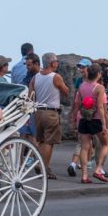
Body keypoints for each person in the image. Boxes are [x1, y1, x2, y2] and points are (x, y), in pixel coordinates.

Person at [29, 52, 69, 180]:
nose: (57, 63)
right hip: (51, 112)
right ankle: (44, 167)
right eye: (56, 61)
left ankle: (39, 162)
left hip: (38, 111)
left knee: (41, 140)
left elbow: (30, 94)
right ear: (52, 63)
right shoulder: (55, 77)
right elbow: (66, 91)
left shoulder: (35, 77)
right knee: (49, 141)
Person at [73, 63, 108, 183]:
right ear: (99, 74)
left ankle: (84, 176)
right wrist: (104, 124)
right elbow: (100, 107)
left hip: (84, 119)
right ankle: (98, 169)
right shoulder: (99, 87)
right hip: (96, 120)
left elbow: (78, 104)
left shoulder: (82, 86)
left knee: (85, 147)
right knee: (105, 144)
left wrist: (75, 119)